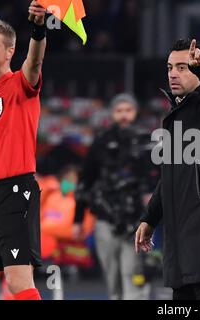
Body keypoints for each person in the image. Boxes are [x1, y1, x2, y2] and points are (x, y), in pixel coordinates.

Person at [135, 39, 200, 300]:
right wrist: (150, 218)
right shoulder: (176, 115)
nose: (173, 73)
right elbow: (169, 177)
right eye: (170, 67)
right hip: (179, 241)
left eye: (183, 67)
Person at [0, 2, 47, 300]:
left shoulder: (20, 85)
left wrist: (37, 30)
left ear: (9, 51)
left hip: (13, 192)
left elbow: (34, 64)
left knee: (18, 282)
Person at [73, 93, 150, 300]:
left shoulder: (147, 141)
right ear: (112, 114)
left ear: (135, 112)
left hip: (137, 220)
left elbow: (155, 181)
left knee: (133, 273)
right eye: (119, 111)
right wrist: (78, 218)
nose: (124, 115)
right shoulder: (101, 141)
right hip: (105, 218)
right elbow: (85, 180)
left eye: (128, 110)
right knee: (112, 278)